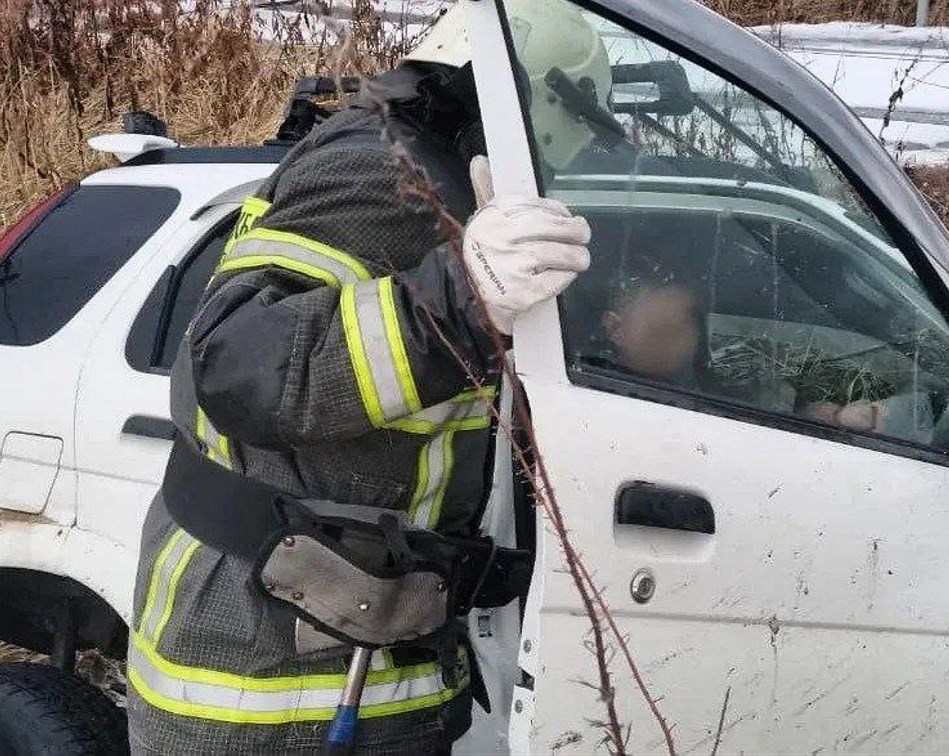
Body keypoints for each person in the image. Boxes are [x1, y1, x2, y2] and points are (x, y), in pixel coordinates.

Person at [125, 2, 611, 753]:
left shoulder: (428, 169)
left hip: (347, 668)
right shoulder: (381, 171)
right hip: (272, 698)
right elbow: (235, 366)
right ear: (543, 101)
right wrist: (456, 300)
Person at [602, 276, 888, 433]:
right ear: (615, 328)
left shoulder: (703, 382)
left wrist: (828, 418)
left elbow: (755, 424)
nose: (684, 341)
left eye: (691, 325)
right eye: (664, 329)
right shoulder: (604, 395)